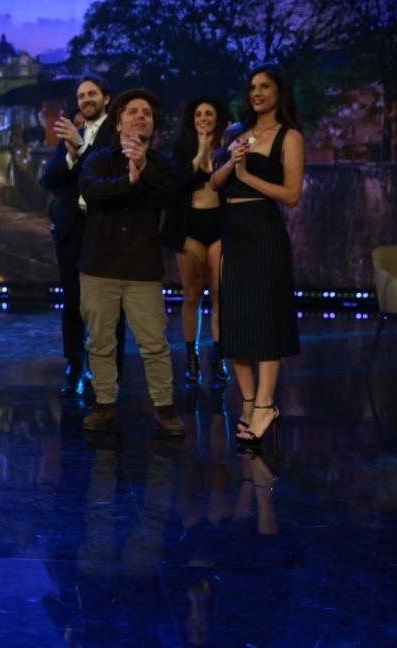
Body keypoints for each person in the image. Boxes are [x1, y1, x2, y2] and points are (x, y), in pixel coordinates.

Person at [77, 89, 185, 436]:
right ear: (118, 122)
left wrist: (143, 170)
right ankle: (104, 404)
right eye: (133, 112)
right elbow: (91, 190)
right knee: (100, 341)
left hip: (142, 266)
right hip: (99, 264)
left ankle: (164, 408)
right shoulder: (98, 159)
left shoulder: (162, 164)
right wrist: (129, 180)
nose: (141, 117)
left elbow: (170, 196)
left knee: (154, 342)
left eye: (147, 114)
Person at [209, 66, 304, 447]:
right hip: (233, 231)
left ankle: (265, 404)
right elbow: (214, 183)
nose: (257, 93)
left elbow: (292, 195)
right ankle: (248, 402)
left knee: (264, 319)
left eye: (265, 86)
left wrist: (248, 177)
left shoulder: (289, 136)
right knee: (236, 319)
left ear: (280, 92)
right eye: (252, 87)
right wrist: (231, 163)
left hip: (264, 230)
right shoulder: (238, 133)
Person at [40, 73, 126, 396]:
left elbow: (107, 172)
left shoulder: (116, 132)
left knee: (108, 305)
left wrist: (81, 148)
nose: (86, 100)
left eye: (92, 94)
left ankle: (107, 370)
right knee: (73, 301)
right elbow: (49, 179)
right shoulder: (73, 134)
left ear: (106, 98)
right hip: (72, 228)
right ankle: (74, 363)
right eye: (81, 96)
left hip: (104, 228)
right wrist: (70, 153)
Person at [160, 96, 229, 385]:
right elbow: (179, 184)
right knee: (191, 294)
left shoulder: (228, 147)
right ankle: (192, 356)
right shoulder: (180, 150)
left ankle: (219, 356)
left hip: (219, 226)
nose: (203, 118)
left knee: (219, 294)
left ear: (217, 117)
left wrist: (212, 151)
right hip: (189, 227)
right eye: (198, 114)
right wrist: (200, 151)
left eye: (208, 113)